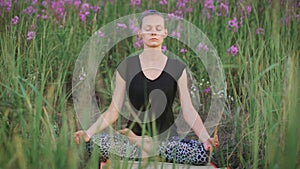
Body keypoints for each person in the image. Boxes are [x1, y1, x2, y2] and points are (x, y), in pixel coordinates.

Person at [74, 10, 219, 165]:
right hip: (131, 139)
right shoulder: (127, 67)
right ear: (140, 33)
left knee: (203, 153)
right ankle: (145, 147)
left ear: (165, 33)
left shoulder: (177, 68)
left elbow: (188, 110)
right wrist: (88, 133)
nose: (153, 33)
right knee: (92, 143)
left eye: (158, 29)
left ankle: (144, 145)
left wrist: (205, 138)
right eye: (148, 28)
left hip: (167, 139)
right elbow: (113, 111)